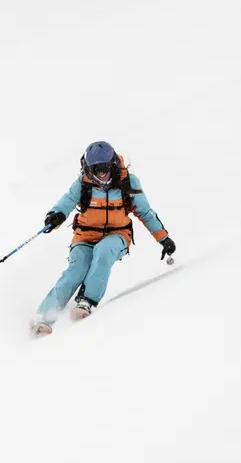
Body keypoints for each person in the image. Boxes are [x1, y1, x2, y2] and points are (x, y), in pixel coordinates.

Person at [32, 141, 174, 334]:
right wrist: (55, 215)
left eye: (105, 167)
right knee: (76, 269)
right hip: (85, 235)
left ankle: (86, 301)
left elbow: (145, 212)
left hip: (117, 234)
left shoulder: (128, 182)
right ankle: (44, 317)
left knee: (104, 251)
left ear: (113, 163)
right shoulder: (83, 183)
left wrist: (163, 238)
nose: (101, 173)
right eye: (95, 168)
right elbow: (66, 201)